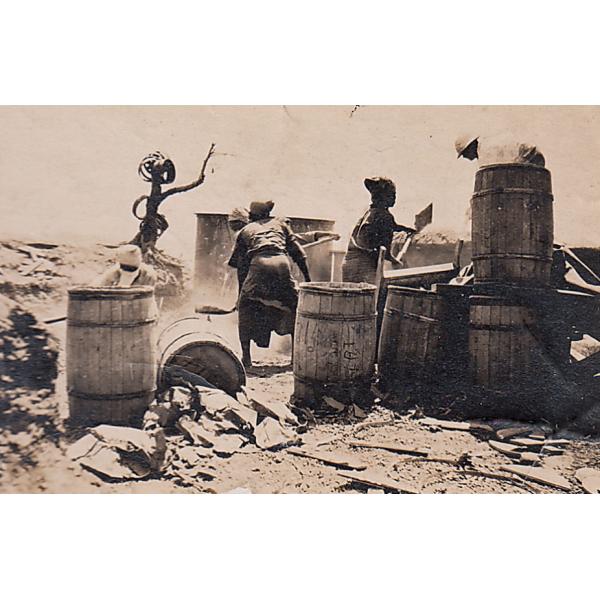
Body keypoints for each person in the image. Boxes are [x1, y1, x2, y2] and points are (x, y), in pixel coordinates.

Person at [228, 200, 310, 367]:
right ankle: (295, 358)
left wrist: (241, 296)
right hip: (282, 264)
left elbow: (241, 267)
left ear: (251, 216)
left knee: (245, 308)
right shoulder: (280, 225)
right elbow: (299, 255)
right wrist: (308, 281)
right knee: (294, 307)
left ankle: (246, 358)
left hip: (259, 265)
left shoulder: (245, 230)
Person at [342, 177, 416, 284]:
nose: (394, 198)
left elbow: (391, 226)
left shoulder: (370, 213)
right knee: (375, 297)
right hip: (363, 266)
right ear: (382, 197)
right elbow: (385, 252)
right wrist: (396, 262)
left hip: (348, 263)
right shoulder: (385, 216)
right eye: (392, 195)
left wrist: (406, 229)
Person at [455, 135, 545, 166]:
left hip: (530, 158)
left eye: (464, 153)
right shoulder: (485, 148)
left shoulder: (487, 152)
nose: (464, 157)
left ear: (470, 146)